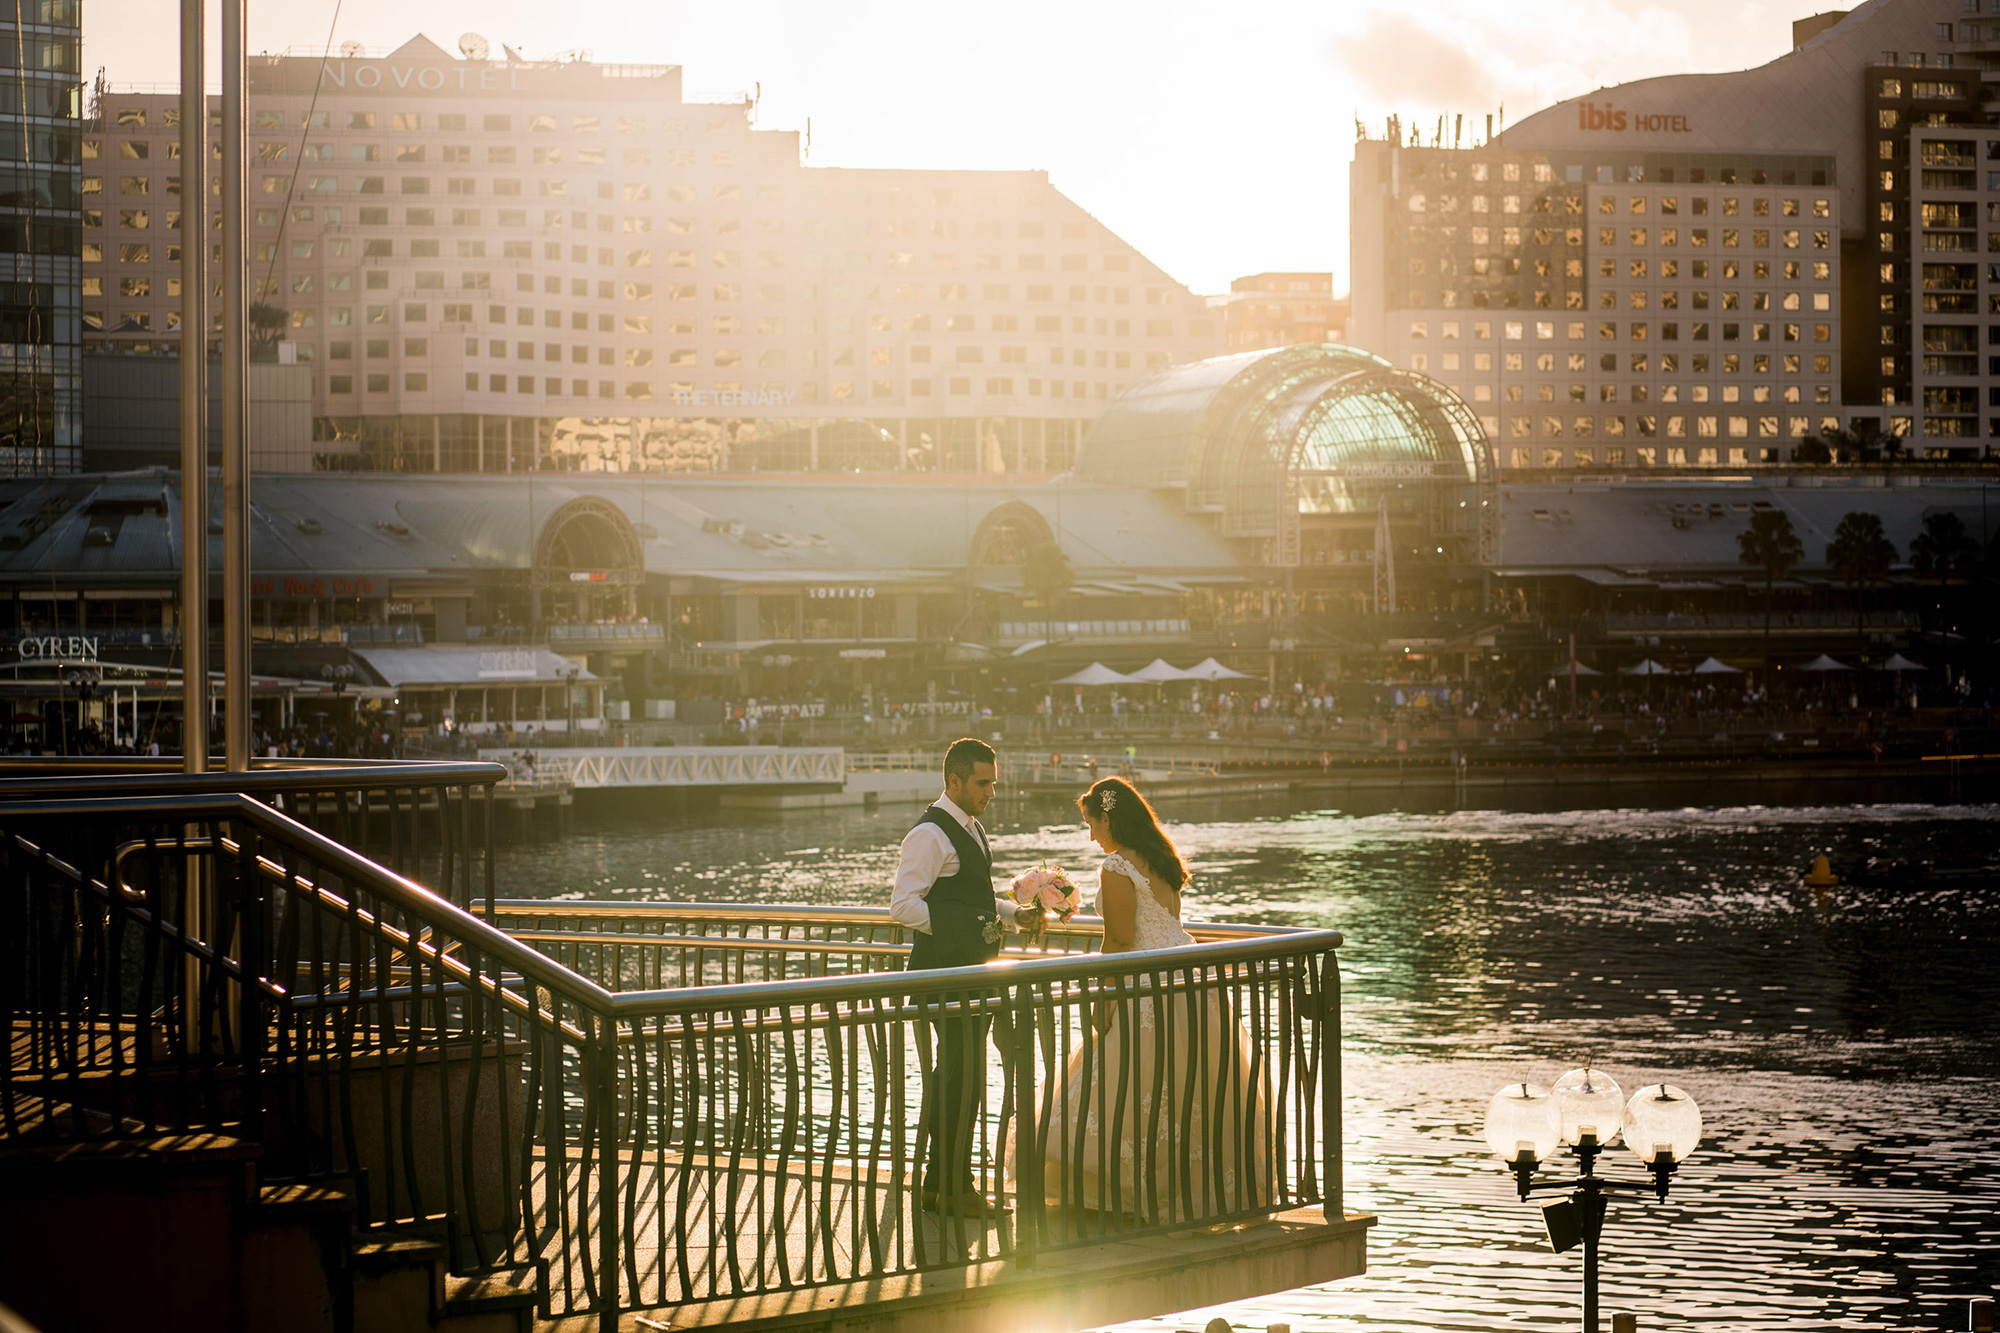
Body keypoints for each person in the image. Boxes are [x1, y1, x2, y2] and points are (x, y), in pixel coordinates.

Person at [1016, 776, 1268, 1223]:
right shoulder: (1160, 858)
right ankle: (1182, 1190)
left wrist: (1102, 997)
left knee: (1135, 1082)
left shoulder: (1117, 867)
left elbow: (1117, 940)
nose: (1091, 835)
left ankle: (1140, 1189)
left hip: (1147, 985)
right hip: (1189, 982)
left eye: (1091, 824)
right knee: (1185, 1086)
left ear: (1109, 819)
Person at [889, 737, 1044, 1217]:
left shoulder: (970, 826)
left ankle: (940, 1184)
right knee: (963, 1079)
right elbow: (903, 906)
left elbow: (972, 900)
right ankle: (955, 1188)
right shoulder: (930, 834)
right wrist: (972, 926)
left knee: (957, 1077)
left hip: (968, 974)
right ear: (953, 780)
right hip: (944, 977)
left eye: (994, 783)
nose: (990, 792)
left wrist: (1012, 916)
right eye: (982, 783)